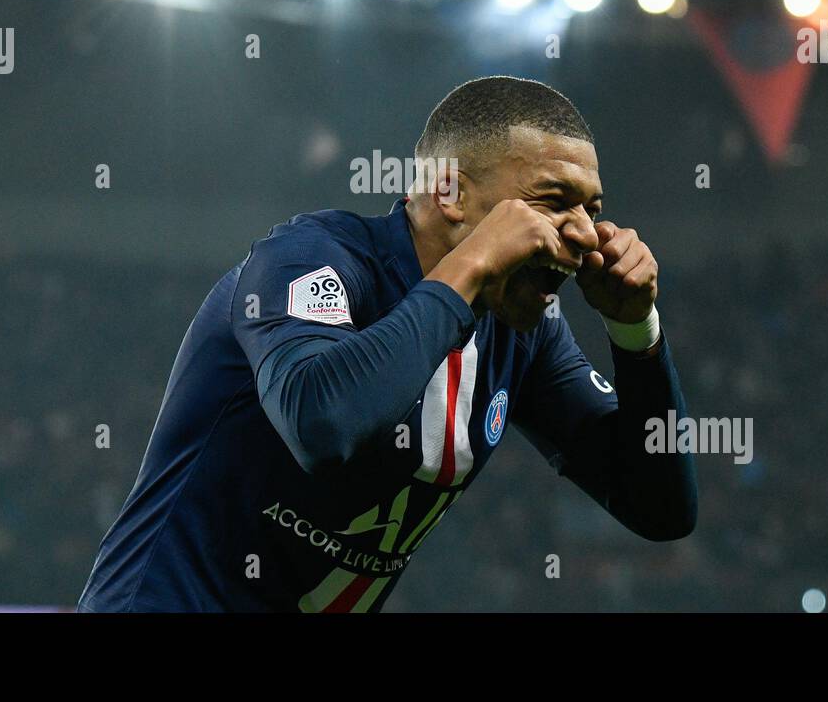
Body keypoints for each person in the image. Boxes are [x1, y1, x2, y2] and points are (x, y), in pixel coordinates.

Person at [78, 75, 696, 612]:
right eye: (553, 201)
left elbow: (660, 509)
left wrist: (635, 330)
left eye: (593, 208)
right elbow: (323, 424)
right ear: (448, 193)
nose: (587, 235)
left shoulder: (521, 331)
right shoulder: (312, 259)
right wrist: (475, 262)